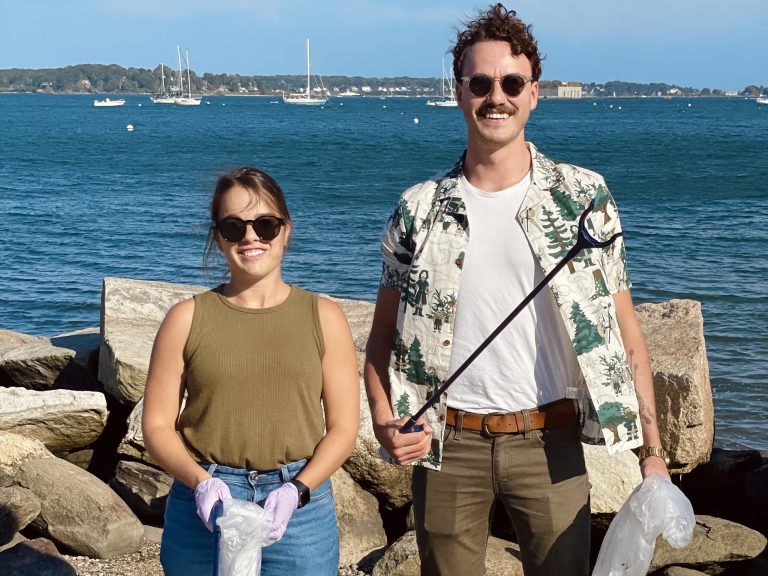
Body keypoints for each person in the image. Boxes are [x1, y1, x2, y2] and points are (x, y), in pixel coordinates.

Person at [364, 4, 670, 576]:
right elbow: (381, 339)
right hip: (448, 444)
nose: (495, 97)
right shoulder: (419, 209)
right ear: (459, 93)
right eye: (480, 83)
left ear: (535, 92)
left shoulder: (584, 197)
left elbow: (627, 335)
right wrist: (385, 421)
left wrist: (653, 455)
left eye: (511, 83)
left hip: (550, 444)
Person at [142, 166, 359, 576]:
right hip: (205, 499)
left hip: (299, 504)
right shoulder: (185, 318)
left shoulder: (324, 316)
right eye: (233, 227)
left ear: (286, 230)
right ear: (217, 236)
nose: (250, 238)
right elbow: (155, 426)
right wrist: (200, 482)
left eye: (265, 225)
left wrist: (298, 489)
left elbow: (345, 428)